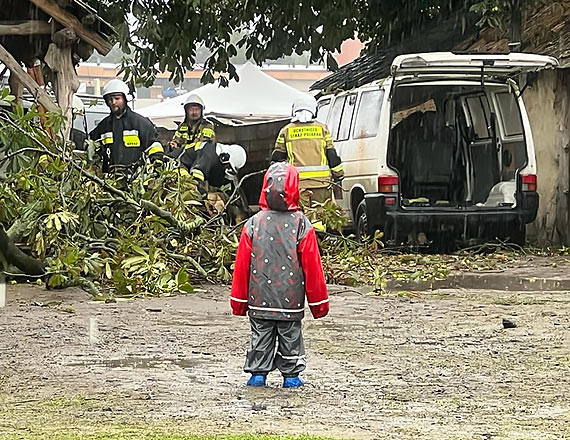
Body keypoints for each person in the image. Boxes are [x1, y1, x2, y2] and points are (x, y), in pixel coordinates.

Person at [230, 162, 329, 388]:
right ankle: (291, 378)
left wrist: (239, 301)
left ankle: (257, 376)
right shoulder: (302, 225)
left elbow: (242, 265)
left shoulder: (253, 223)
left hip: (259, 298)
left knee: (260, 337)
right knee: (291, 337)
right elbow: (313, 267)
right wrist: (319, 304)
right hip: (290, 300)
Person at [271, 94, 344, 205]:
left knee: (299, 216)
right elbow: (332, 155)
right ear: (314, 110)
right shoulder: (322, 129)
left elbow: (278, 160)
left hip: (296, 185)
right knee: (321, 217)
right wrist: (339, 175)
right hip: (321, 184)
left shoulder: (286, 131)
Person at [89, 78, 164, 173]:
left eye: (117, 98)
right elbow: (92, 146)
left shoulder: (140, 123)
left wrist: (156, 165)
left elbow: (154, 146)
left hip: (134, 179)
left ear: (125, 99)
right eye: (110, 99)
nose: (113, 102)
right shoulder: (103, 126)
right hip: (109, 180)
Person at [168, 93, 215, 165]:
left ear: (201, 111)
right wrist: (173, 144)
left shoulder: (208, 125)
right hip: (184, 157)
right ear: (186, 111)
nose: (194, 112)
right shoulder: (182, 126)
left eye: (197, 109)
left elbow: (202, 146)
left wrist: (182, 148)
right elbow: (177, 139)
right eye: (191, 109)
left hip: (201, 160)